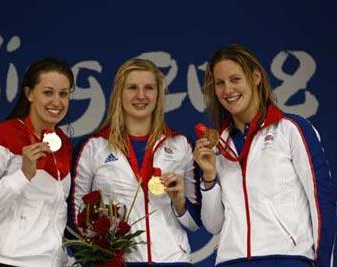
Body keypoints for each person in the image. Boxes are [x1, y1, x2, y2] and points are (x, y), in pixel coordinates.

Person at [194, 44, 337, 267]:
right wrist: (209, 177)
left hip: (286, 258)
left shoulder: (291, 129)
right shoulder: (217, 145)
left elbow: (321, 202)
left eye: (235, 79)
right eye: (220, 83)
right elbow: (214, 225)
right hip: (231, 261)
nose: (227, 90)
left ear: (256, 77)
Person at [71, 58, 201, 266]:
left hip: (173, 261)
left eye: (149, 88)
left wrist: (179, 201)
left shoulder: (181, 145)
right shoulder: (93, 147)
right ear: (119, 94)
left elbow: (194, 223)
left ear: (158, 95)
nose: (141, 95)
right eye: (132, 88)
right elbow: (76, 219)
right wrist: (102, 255)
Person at [0, 57, 74, 267]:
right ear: (29, 93)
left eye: (64, 94)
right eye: (48, 92)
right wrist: (22, 175)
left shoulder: (63, 144)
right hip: (8, 263)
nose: (57, 102)